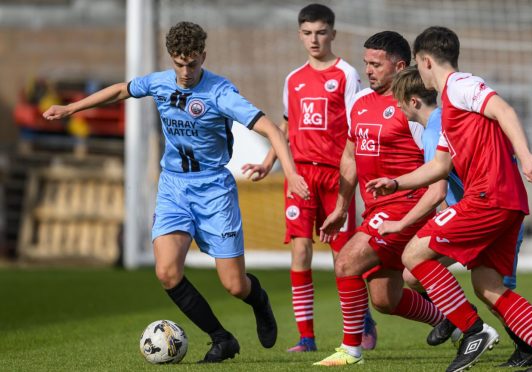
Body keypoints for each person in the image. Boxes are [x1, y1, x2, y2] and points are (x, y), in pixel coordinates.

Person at [42, 21, 310, 364]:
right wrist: (70, 109)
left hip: (213, 188)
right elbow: (121, 90)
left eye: (193, 64)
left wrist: (290, 172)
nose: (186, 72)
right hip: (173, 187)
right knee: (167, 272)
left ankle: (258, 300)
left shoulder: (220, 92)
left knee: (234, 285)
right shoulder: (159, 82)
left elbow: (272, 128)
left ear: (203, 57)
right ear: (172, 58)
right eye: (179, 64)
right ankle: (221, 338)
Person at [367, 26, 532, 372]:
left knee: (414, 254)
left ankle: (473, 331)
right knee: (487, 286)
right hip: (507, 201)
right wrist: (396, 182)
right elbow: (440, 166)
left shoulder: (461, 86)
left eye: (418, 66)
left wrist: (524, 155)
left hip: (487, 196)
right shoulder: (449, 106)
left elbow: (504, 111)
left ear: (426, 61)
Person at [241, 4, 377, 352]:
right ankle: (307, 338)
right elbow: (286, 127)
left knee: (342, 256)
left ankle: (362, 321)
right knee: (300, 251)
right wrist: (268, 161)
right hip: (299, 176)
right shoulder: (293, 78)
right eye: (307, 33)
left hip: (335, 176)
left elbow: (355, 125)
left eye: (320, 32)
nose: (314, 39)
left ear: (333, 33)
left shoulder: (347, 74)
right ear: (299, 34)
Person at [386, 66, 532, 368]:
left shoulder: (435, 131)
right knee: (488, 288)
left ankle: (467, 325)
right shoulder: (449, 119)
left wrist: (403, 223)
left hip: (485, 214)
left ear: (413, 101)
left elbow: (436, 191)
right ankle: (471, 325)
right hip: (494, 209)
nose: (395, 106)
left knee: (484, 288)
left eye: (398, 100)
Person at [313, 31, 451, 367]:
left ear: (400, 65)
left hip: (406, 208)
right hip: (375, 210)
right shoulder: (359, 102)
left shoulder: (414, 106)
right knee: (385, 300)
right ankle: (456, 321)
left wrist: (440, 208)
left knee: (346, 262)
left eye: (376, 64)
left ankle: (351, 350)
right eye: (367, 64)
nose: (369, 70)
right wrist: (342, 207)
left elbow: (438, 162)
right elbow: (349, 156)